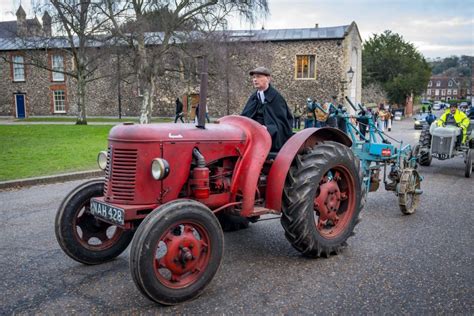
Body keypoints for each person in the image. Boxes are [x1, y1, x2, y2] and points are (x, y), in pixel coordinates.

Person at [241, 67, 293, 152]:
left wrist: (267, 128)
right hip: (251, 134)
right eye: (254, 77)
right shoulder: (254, 97)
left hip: (268, 137)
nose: (255, 80)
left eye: (258, 76)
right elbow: (245, 116)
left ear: (268, 79)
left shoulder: (276, 98)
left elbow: (282, 123)